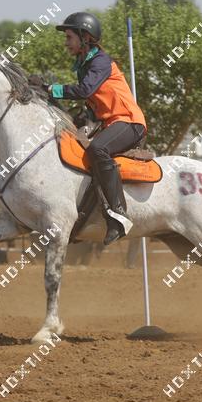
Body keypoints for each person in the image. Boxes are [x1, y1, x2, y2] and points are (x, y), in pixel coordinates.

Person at [45, 12, 147, 245]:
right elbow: (92, 104)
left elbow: (84, 91)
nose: (66, 42)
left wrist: (50, 88)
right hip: (113, 124)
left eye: (69, 37)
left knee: (97, 149)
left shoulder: (100, 61)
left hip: (130, 122)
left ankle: (119, 214)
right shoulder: (85, 65)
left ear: (85, 37)